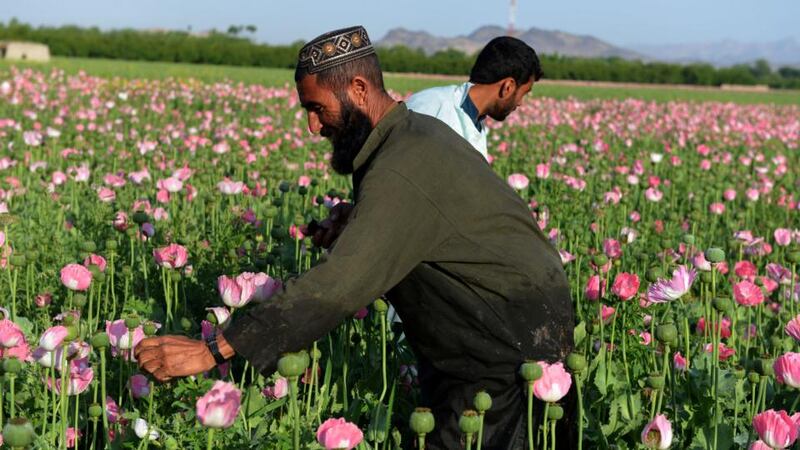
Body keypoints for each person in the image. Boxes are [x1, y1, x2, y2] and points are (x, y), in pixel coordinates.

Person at [136, 26, 574, 449]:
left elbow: (339, 284)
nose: (312, 126)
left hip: (508, 346)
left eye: (317, 108)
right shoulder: (408, 136)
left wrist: (214, 349)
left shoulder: (402, 164)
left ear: (359, 90)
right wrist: (360, 220)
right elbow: (433, 223)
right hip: (492, 330)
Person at [405, 36, 543, 161]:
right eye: (523, 93)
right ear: (508, 87)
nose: (520, 103)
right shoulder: (431, 106)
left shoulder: (475, 120)